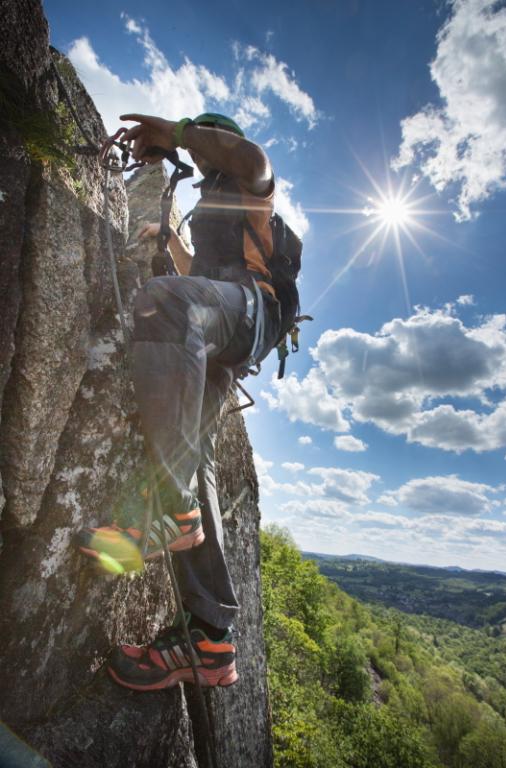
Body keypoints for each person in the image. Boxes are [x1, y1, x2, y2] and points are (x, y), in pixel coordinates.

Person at [78, 112, 281, 690]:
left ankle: (173, 510)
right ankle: (211, 639)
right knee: (198, 462)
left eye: (211, 149)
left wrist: (179, 132)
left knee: (164, 303)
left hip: (247, 313)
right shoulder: (214, 208)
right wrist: (166, 239)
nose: (206, 164)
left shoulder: (251, 180)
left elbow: (250, 158)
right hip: (223, 331)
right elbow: (203, 274)